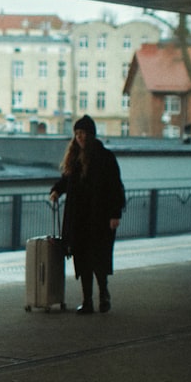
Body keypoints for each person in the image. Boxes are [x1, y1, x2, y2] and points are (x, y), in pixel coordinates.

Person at [49, 115, 125, 314]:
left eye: (82, 133)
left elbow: (115, 187)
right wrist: (56, 190)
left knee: (97, 258)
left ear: (91, 134)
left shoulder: (105, 157)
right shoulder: (74, 160)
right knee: (82, 259)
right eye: (76, 134)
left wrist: (115, 214)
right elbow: (66, 181)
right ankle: (88, 301)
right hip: (79, 219)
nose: (79, 137)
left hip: (99, 218)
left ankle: (103, 294)